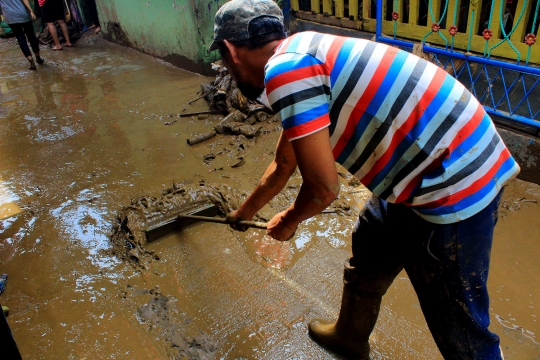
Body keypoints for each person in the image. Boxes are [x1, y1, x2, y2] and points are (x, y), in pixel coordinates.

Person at [210, 0, 521, 359]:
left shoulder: (286, 73)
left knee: (459, 324)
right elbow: (284, 162)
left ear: (231, 51)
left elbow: (324, 190)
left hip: (453, 182)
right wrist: (244, 212)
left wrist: (289, 221)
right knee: (372, 240)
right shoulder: (303, 50)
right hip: (433, 161)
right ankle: (349, 336)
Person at [0, 0, 43, 69]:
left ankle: (31, 62)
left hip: (10, 16)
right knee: (31, 36)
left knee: (21, 39)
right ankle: (38, 57)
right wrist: (31, 11)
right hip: (23, 14)